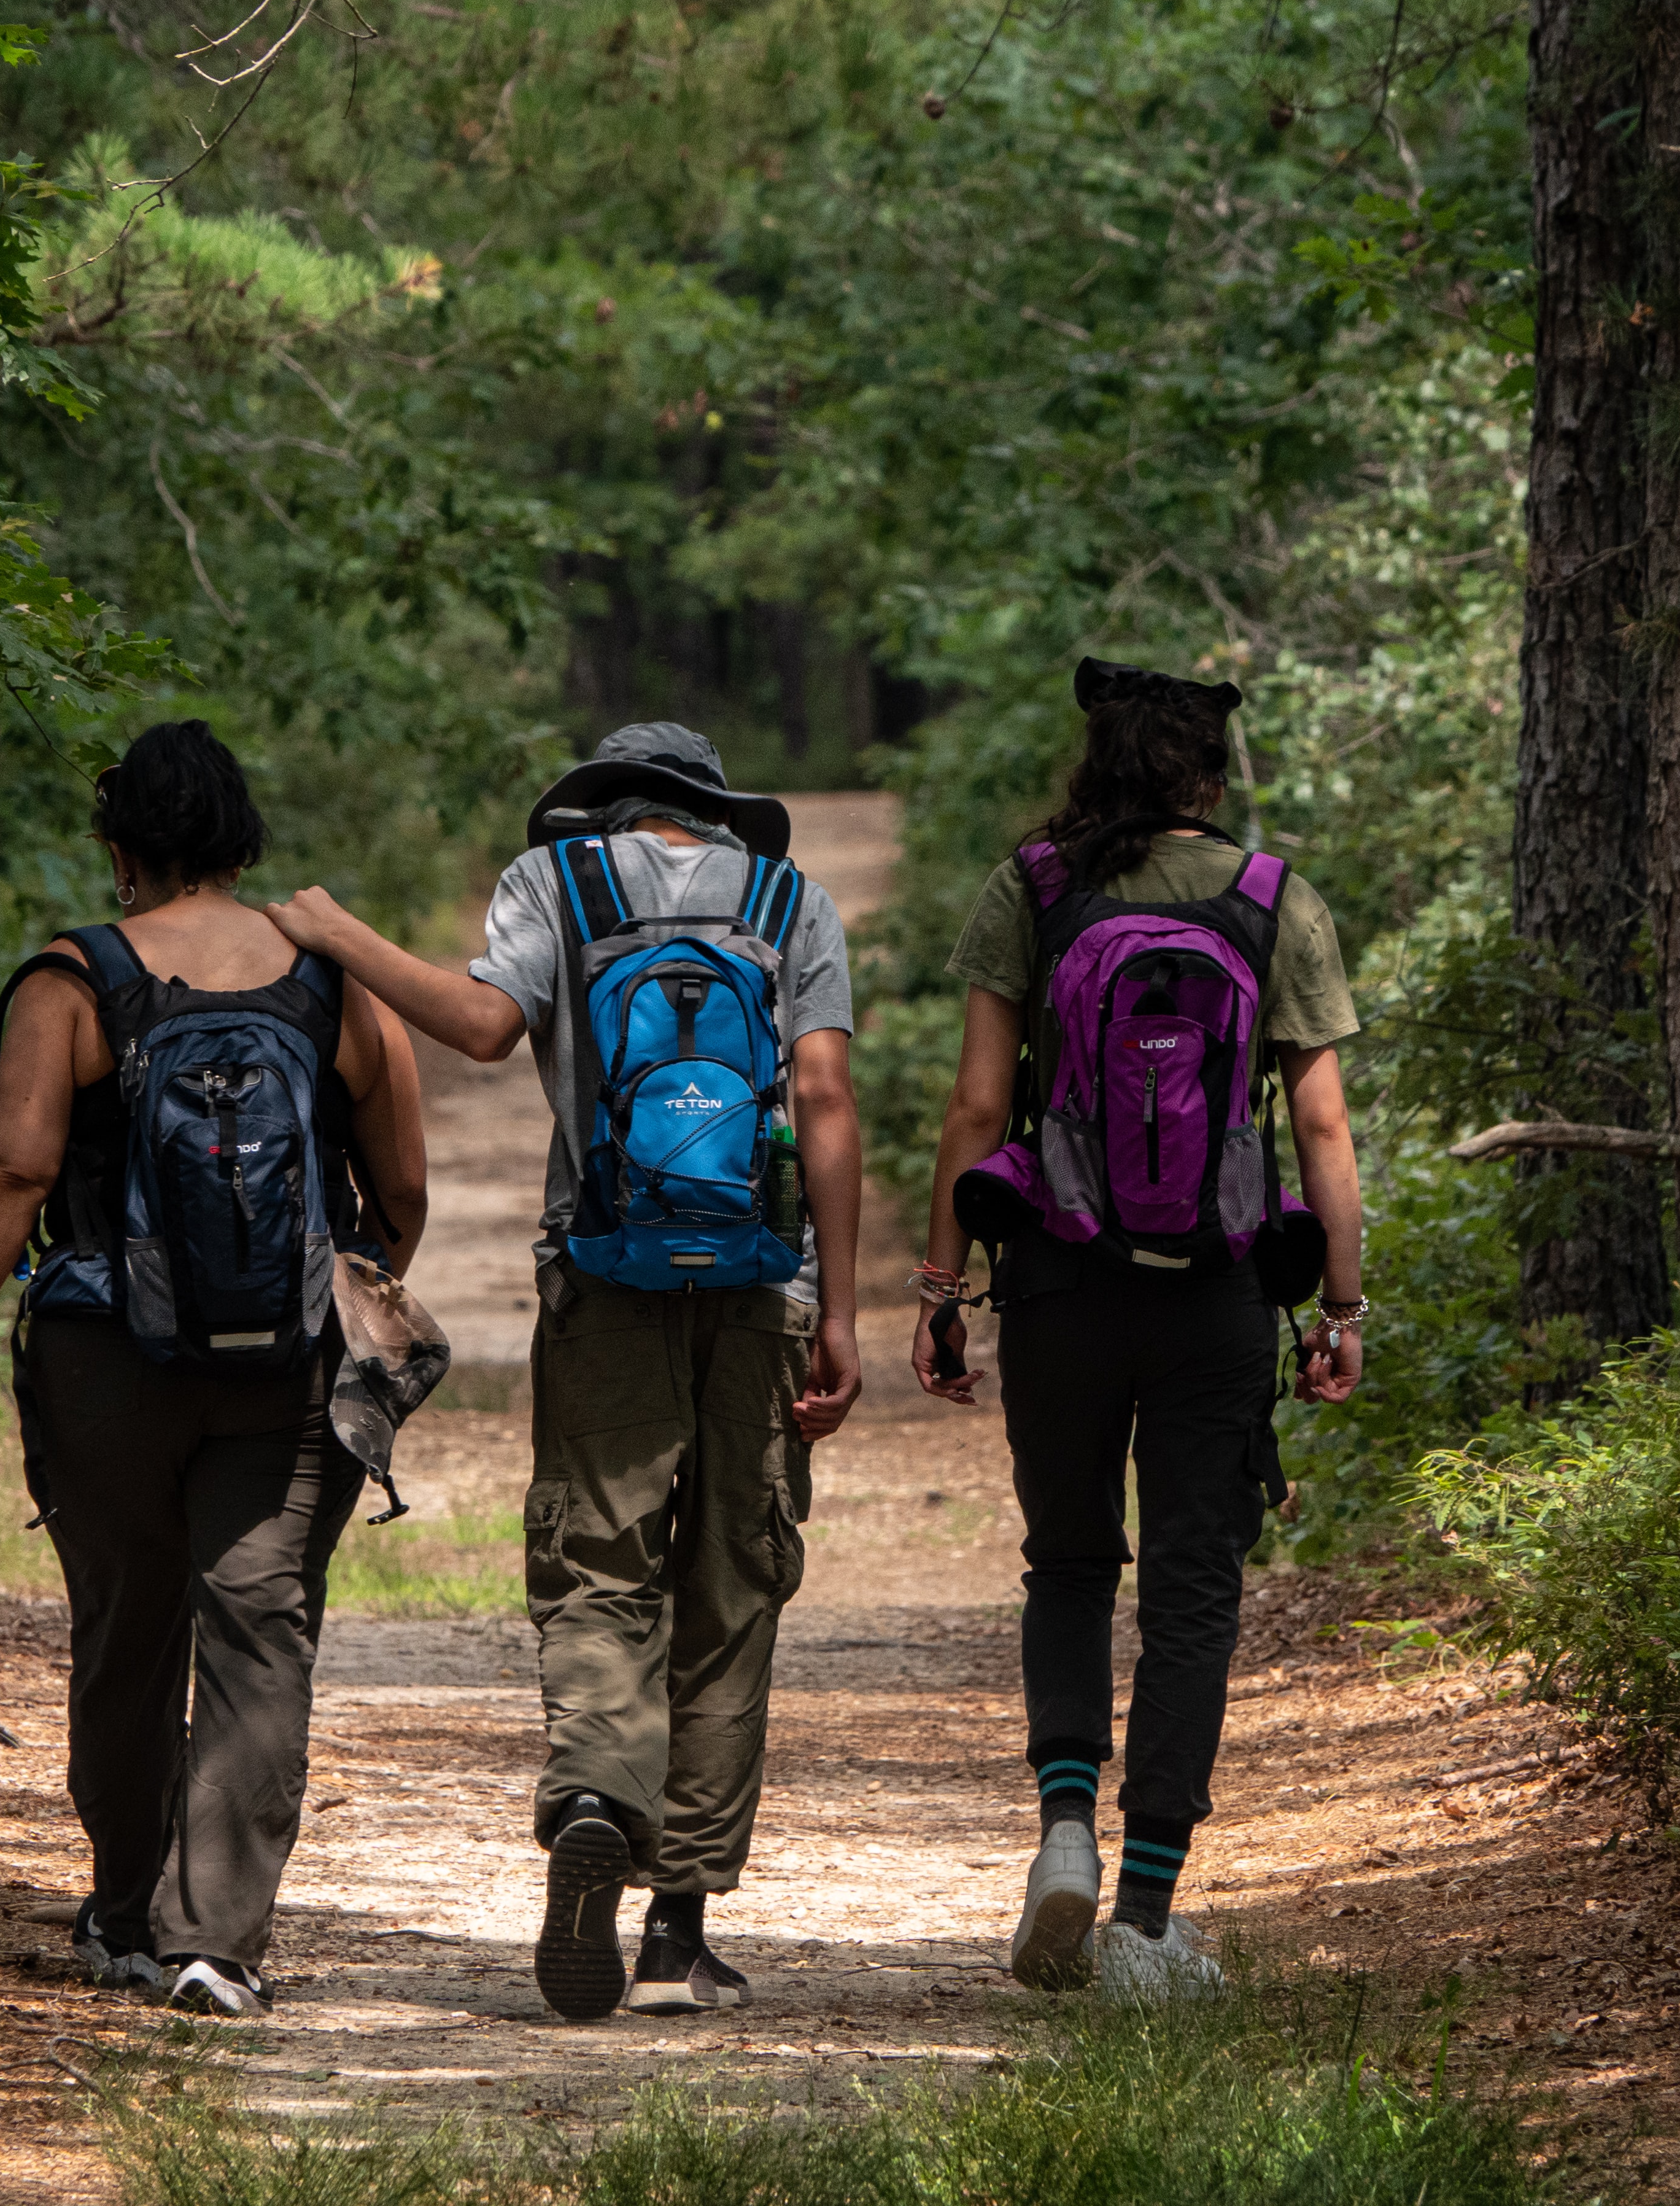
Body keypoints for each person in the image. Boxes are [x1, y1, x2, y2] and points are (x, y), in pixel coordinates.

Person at [266, 722, 864, 2023]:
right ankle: (678, 1935)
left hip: (601, 1274)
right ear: (714, 810)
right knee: (733, 1578)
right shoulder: (790, 898)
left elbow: (484, 1027)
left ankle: (596, 1796)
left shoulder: (560, 884)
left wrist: (338, 934)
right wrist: (844, 1314)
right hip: (762, 1282)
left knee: (603, 1563)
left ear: (599, 805)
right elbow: (824, 1099)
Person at [0, 719, 429, 2018]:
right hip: (287, 1367)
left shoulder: (72, 980)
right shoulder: (329, 981)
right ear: (244, 837)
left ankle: (128, 1913)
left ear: (120, 846)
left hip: (105, 1359)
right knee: (260, 1637)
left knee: (129, 1628)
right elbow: (404, 1184)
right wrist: (334, 1274)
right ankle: (220, 1943)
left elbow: (19, 1166)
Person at [912, 658, 1366, 2000]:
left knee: (1067, 1563)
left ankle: (1064, 1831)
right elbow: (1326, 1128)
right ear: (1210, 775)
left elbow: (977, 1111)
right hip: (1217, 1293)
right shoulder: (1274, 900)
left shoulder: (1036, 889)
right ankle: (1148, 1919)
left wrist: (942, 1291)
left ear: (1094, 763)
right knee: (1191, 1592)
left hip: (1059, 1282)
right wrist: (1340, 1308)